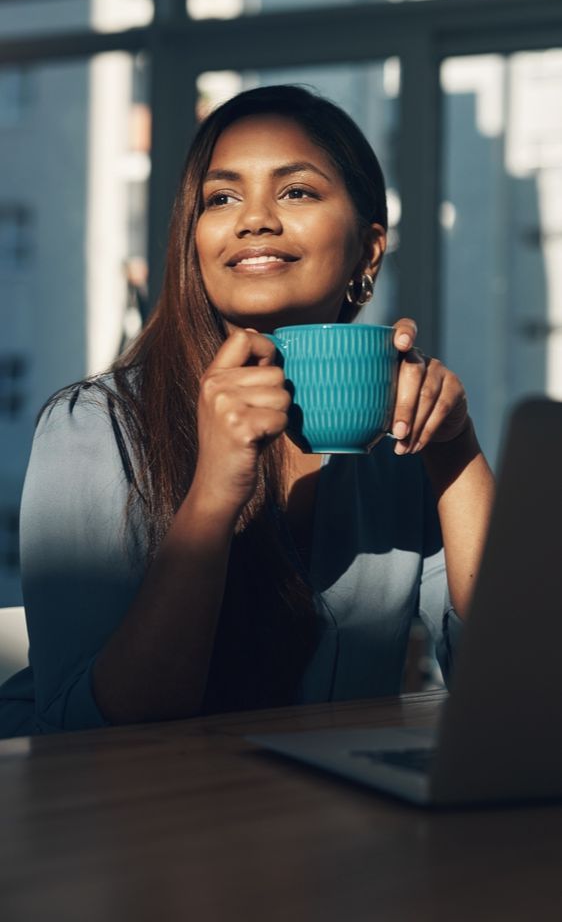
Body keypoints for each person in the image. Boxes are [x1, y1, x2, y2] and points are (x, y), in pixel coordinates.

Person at [0, 85, 494, 737]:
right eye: (222, 197)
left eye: (296, 191)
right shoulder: (94, 427)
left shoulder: (394, 440)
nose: (254, 219)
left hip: (337, 820)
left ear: (369, 249)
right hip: (129, 823)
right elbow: (101, 721)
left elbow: (503, 669)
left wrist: (454, 450)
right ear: (194, 240)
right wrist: (214, 491)